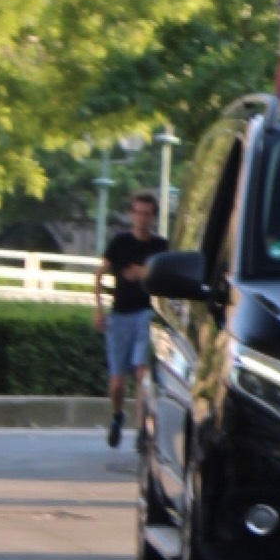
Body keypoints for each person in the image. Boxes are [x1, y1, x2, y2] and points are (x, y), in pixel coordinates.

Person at [95, 190, 167, 449]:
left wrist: (145, 273)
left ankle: (141, 429)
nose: (142, 218)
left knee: (141, 370)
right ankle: (117, 416)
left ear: (153, 217)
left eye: (147, 214)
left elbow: (168, 277)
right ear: (131, 214)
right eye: (138, 212)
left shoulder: (161, 247)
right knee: (117, 382)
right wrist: (98, 309)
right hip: (120, 315)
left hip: (146, 313)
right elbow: (100, 273)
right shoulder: (120, 243)